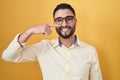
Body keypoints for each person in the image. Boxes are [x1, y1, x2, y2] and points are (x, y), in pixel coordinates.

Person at [2, 3, 102, 80]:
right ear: (54, 23)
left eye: (69, 19)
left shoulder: (90, 51)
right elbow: (8, 56)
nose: (64, 24)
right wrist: (30, 31)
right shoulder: (43, 47)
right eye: (59, 20)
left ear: (75, 21)